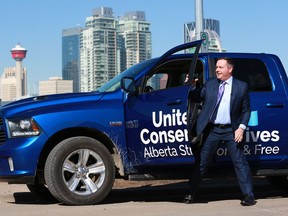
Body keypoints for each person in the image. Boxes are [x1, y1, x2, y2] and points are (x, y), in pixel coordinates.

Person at [183, 57, 256, 206]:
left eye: (220, 67)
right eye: (216, 67)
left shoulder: (241, 87)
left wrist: (241, 128)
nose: (217, 69)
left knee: (239, 162)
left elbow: (246, 110)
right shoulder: (210, 84)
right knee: (202, 162)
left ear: (230, 69)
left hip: (231, 130)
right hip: (213, 130)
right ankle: (191, 193)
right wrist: (191, 86)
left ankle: (249, 195)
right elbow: (197, 96)